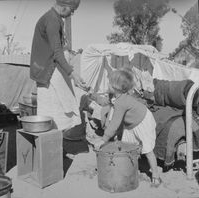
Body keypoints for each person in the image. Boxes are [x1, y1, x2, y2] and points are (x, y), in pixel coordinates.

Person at [94, 68, 162, 188]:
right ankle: (129, 168)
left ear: (116, 86)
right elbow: (107, 104)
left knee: (147, 150)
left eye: (109, 82)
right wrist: (93, 96)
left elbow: (115, 123)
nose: (107, 84)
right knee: (127, 146)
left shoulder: (122, 102)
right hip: (130, 123)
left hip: (142, 121)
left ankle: (156, 175)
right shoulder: (115, 95)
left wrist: (103, 139)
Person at [30, 0, 87, 130]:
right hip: (49, 72)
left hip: (51, 70)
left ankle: (55, 141)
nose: (72, 13)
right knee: (54, 108)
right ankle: (51, 142)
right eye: (72, 10)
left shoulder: (53, 18)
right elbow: (57, 52)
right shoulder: (52, 21)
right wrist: (73, 74)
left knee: (58, 109)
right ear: (64, 7)